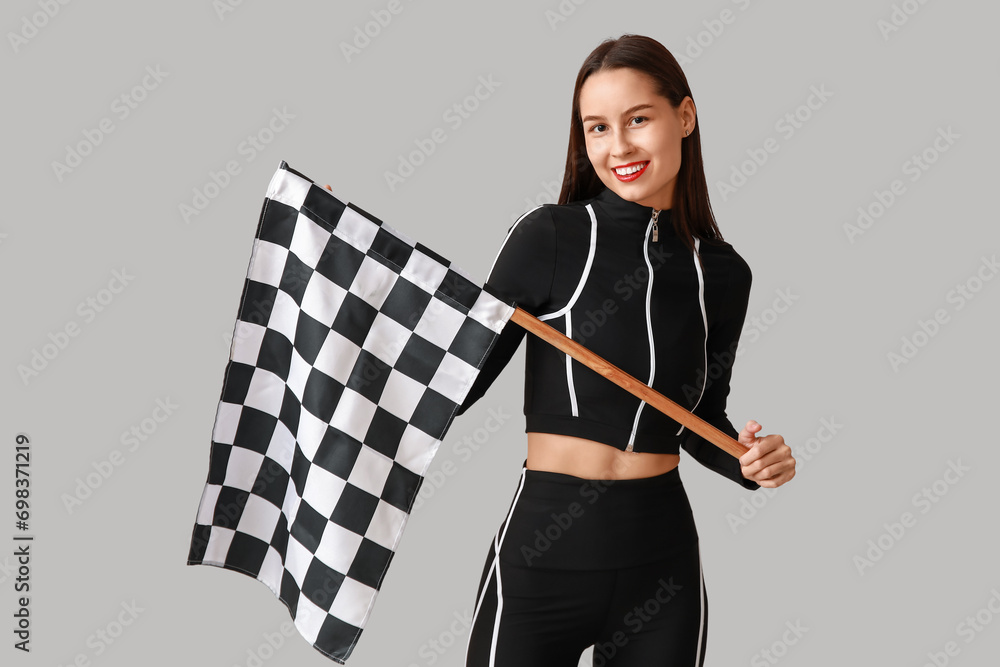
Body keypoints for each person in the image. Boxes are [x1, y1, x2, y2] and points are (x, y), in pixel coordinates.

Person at [456, 34, 796, 666]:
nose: (618, 147)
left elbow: (698, 419)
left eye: (638, 119)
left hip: (661, 565)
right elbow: (454, 383)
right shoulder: (550, 236)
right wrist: (350, 281)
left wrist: (748, 462)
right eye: (598, 128)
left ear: (685, 116)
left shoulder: (724, 275)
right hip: (541, 558)